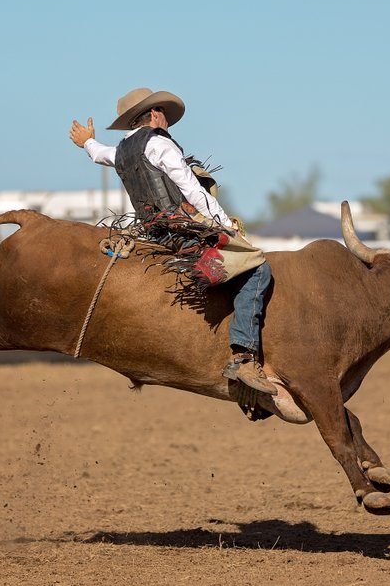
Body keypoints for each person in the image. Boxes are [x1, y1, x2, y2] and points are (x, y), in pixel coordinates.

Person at [69, 87, 276, 397]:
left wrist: (87, 141)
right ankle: (243, 357)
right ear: (154, 115)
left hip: (151, 233)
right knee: (257, 269)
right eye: (162, 112)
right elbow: (191, 189)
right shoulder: (160, 145)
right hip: (182, 233)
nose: (166, 118)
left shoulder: (123, 150)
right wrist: (226, 224)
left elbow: (100, 155)